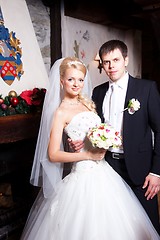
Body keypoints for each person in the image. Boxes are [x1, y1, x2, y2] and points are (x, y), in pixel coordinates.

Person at [20, 56, 160, 240]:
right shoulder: (60, 112)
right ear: (61, 81)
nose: (76, 84)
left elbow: (94, 133)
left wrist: (103, 139)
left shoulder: (87, 103)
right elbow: (53, 155)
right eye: (71, 79)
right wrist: (86, 154)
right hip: (82, 175)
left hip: (105, 173)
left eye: (80, 79)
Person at [69, 39, 160, 234]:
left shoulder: (147, 89)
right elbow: (94, 127)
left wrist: (156, 172)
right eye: (106, 62)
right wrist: (80, 142)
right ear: (101, 64)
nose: (111, 66)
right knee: (116, 227)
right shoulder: (98, 92)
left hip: (142, 170)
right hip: (108, 167)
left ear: (126, 60)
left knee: (148, 228)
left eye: (116, 60)